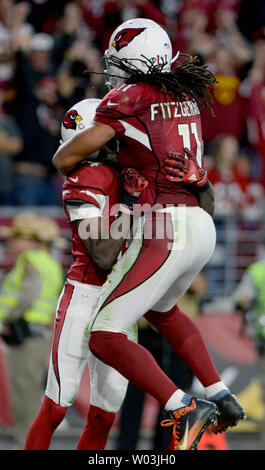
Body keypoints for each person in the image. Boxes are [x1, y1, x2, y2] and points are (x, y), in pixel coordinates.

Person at [53, 18, 246, 450]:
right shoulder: (184, 94)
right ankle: (220, 393)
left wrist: (93, 151)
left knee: (105, 334)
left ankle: (183, 405)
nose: (113, 72)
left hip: (166, 226)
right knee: (164, 311)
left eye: (118, 63)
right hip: (200, 221)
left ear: (136, 63)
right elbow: (195, 186)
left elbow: (67, 159)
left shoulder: (129, 98)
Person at [24, 98, 140, 451]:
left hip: (120, 300)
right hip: (86, 295)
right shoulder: (83, 180)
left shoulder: (128, 174)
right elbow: (103, 254)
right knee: (57, 406)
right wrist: (131, 206)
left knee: (105, 413)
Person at [0, 211, 64, 449]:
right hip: (35, 334)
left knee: (23, 394)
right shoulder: (49, 263)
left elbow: (26, 297)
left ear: (28, 239)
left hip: (25, 334)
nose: (12, 243)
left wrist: (6, 318)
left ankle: (25, 442)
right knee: (29, 391)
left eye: (15, 238)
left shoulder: (30, 262)